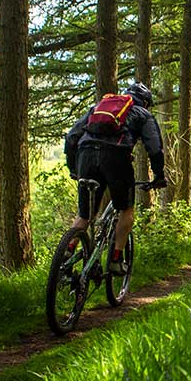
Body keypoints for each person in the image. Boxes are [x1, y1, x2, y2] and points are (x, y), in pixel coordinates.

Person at [64, 83, 166, 273]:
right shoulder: (143, 114)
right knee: (126, 210)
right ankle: (116, 260)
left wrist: (74, 168)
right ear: (145, 102)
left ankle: (67, 250)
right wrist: (159, 176)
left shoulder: (98, 107)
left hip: (85, 156)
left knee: (84, 214)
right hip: (116, 157)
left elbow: (71, 138)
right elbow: (155, 148)